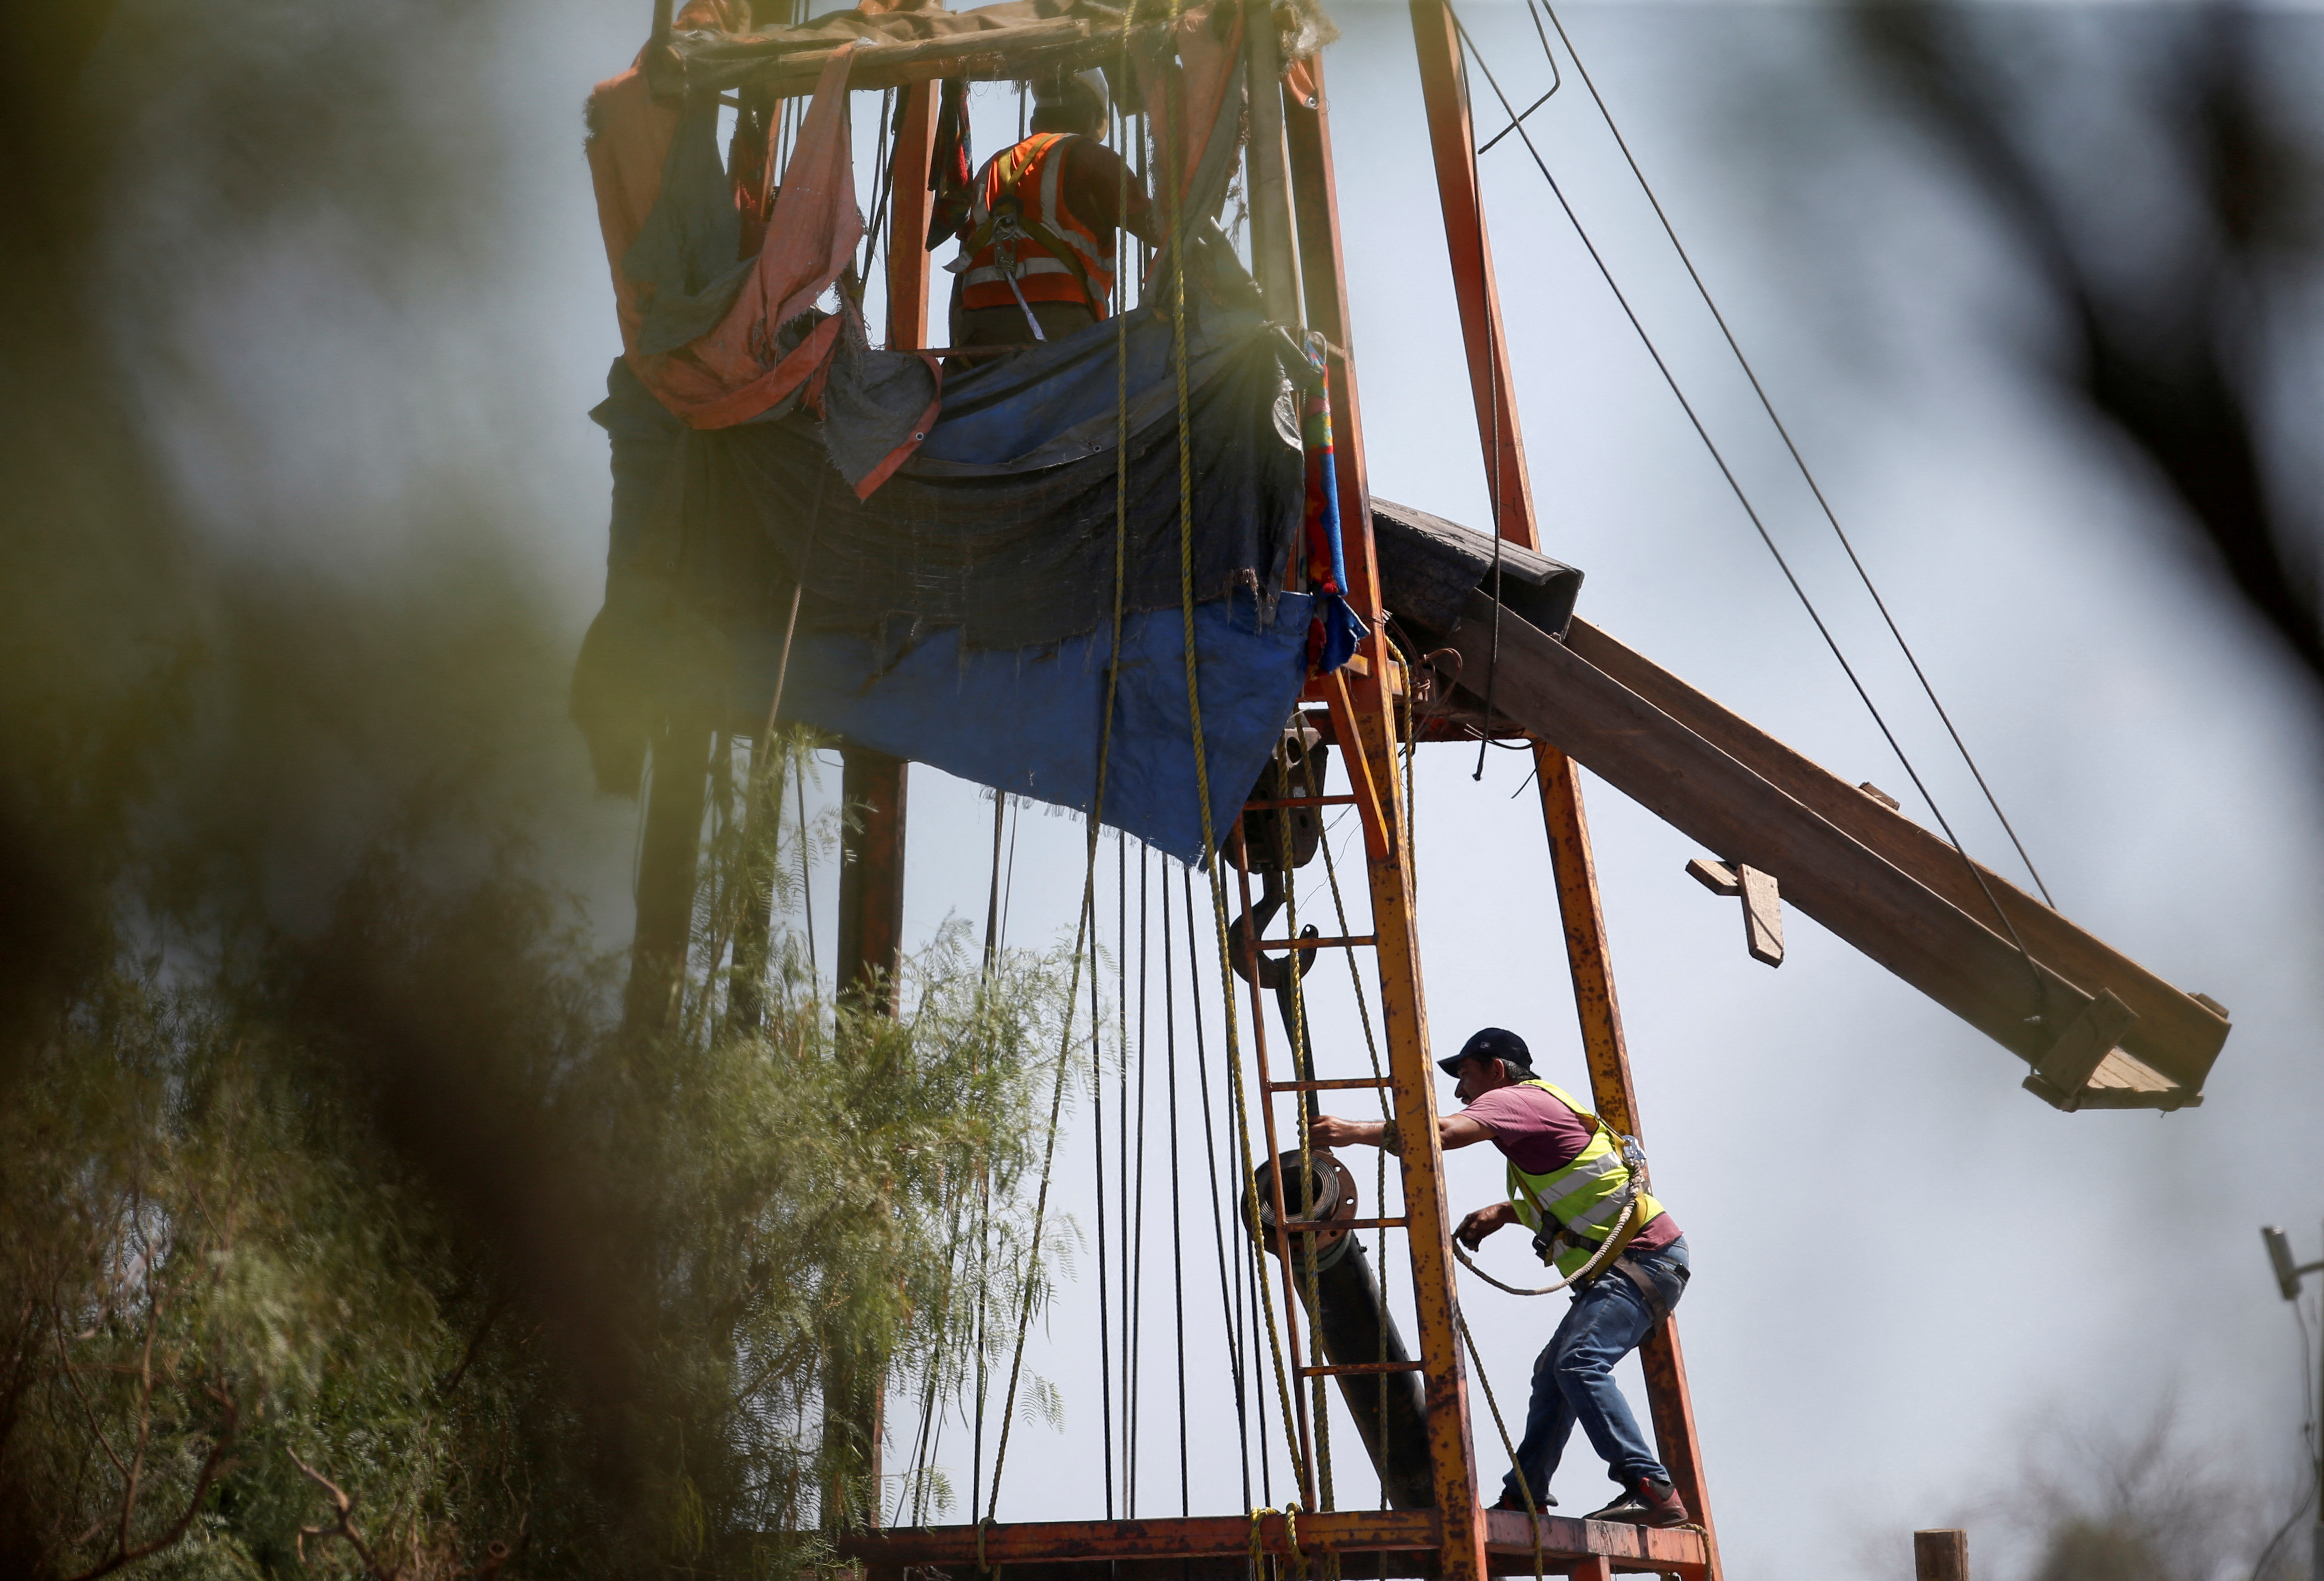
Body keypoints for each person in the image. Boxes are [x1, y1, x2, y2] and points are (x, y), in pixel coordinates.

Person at [1309, 1027, 1693, 1528]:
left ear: (1496, 1069)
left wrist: (1353, 1132)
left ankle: (1651, 1489)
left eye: (1466, 1074)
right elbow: (1573, 1192)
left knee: (1578, 1362)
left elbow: (1439, 1134)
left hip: (1642, 1260)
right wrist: (1505, 1212)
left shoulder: (1519, 1101)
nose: (1459, 1091)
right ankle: (1524, 1495)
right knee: (1554, 1372)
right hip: (1633, 1263)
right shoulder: (1536, 1117)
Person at [944, 69, 1159, 351]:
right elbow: (1162, 230)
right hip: (1058, 323)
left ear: (1034, 122)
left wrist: (958, 349)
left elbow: (965, 264)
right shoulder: (1093, 158)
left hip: (978, 327)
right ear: (1093, 119)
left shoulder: (992, 166)